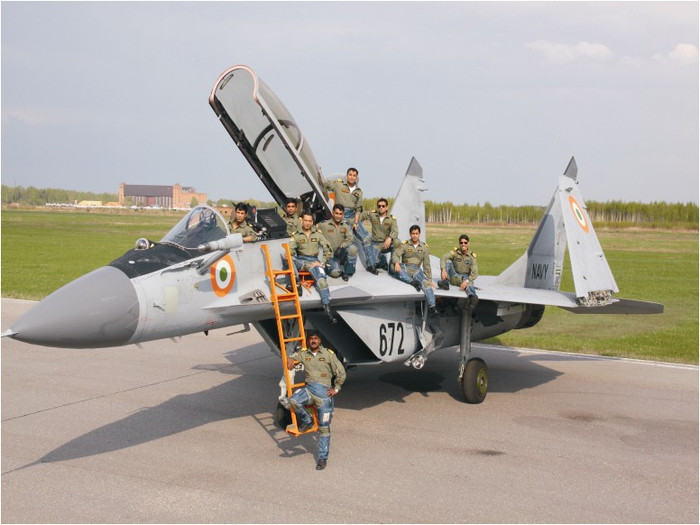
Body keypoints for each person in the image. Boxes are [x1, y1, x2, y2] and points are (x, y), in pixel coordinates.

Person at [286, 329, 346, 470]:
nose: (313, 341)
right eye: (311, 339)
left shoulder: (328, 354)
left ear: (320, 340)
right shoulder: (304, 353)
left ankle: (322, 458)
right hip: (309, 391)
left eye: (316, 339)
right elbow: (293, 356)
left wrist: (336, 389)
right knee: (293, 401)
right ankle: (307, 420)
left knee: (324, 428)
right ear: (308, 341)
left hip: (324, 396)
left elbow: (341, 372)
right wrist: (290, 360)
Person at [288, 211, 336, 322]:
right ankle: (296, 282)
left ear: (312, 222)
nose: (307, 223)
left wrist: (322, 262)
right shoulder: (296, 235)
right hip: (301, 261)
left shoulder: (317, 234)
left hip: (314, 261)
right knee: (291, 259)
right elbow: (290, 250)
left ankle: (327, 308)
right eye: (305, 220)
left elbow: (328, 247)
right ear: (302, 221)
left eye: (310, 221)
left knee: (322, 281)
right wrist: (290, 254)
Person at [390, 224, 438, 315]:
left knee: (426, 284)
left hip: (416, 270)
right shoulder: (405, 245)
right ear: (410, 234)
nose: (414, 235)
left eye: (416, 233)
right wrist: (396, 263)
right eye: (413, 233)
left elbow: (427, 265)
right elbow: (396, 254)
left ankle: (432, 306)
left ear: (419, 234)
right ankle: (412, 282)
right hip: (405, 267)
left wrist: (429, 280)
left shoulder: (424, 248)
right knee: (394, 268)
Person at [325, 167, 369, 245]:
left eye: (354, 175)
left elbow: (358, 209)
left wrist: (356, 223)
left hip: (352, 215)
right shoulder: (339, 185)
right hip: (340, 214)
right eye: (350, 175)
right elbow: (327, 184)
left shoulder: (359, 192)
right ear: (347, 176)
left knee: (365, 237)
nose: (352, 177)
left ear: (356, 178)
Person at [319, 204, 358, 281]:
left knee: (353, 248)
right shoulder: (324, 225)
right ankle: (336, 267)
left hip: (341, 252)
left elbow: (350, 238)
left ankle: (346, 272)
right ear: (333, 212)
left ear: (343, 214)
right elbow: (312, 230)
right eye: (336, 213)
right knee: (335, 273)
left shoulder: (345, 225)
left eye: (340, 214)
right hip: (330, 254)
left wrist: (342, 246)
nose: (338, 216)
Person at [361, 198, 399, 273]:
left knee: (397, 242)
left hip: (386, 244)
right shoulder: (373, 215)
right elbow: (361, 216)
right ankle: (376, 263)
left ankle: (392, 266)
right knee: (373, 265)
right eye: (379, 206)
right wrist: (355, 222)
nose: (381, 207)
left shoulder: (391, 219)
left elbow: (395, 231)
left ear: (386, 207)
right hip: (375, 244)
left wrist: (390, 238)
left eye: (383, 206)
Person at [438, 234, 478, 304]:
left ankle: (472, 296)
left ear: (468, 243)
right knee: (448, 261)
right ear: (459, 244)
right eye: (461, 243)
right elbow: (443, 257)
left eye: (465, 242)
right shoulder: (455, 253)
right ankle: (445, 282)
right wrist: (443, 270)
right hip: (454, 275)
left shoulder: (471, 256)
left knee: (469, 281)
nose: (463, 244)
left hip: (464, 278)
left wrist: (467, 281)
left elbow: (475, 273)